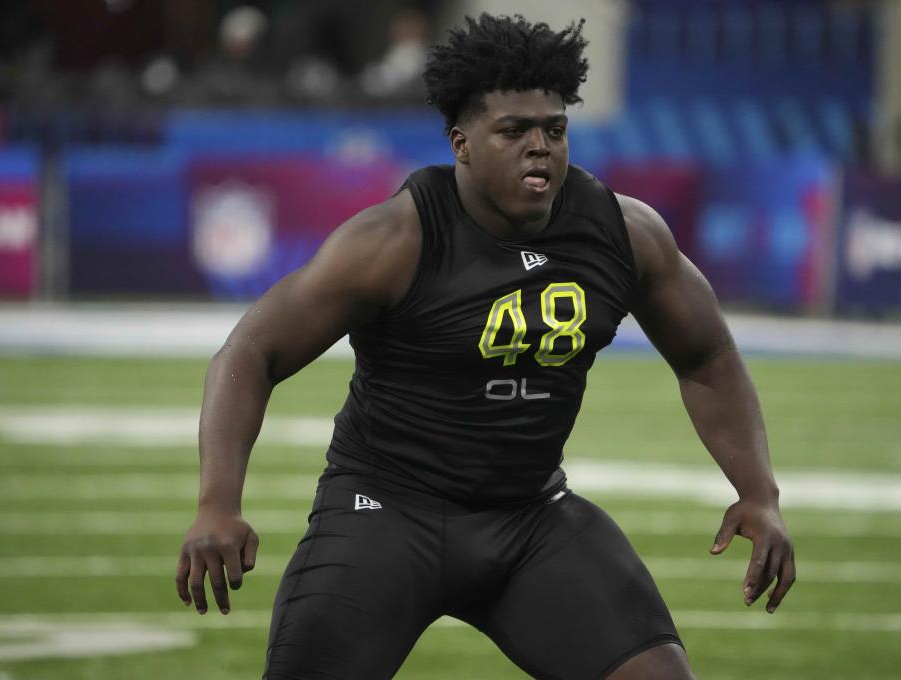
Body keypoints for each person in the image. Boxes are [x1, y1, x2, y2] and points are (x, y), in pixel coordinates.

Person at [176, 14, 795, 680]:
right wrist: (218, 501)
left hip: (529, 516)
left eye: (554, 130)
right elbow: (249, 350)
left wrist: (758, 491)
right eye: (514, 130)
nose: (540, 148)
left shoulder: (624, 232)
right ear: (461, 143)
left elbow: (708, 356)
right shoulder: (395, 239)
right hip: (385, 513)